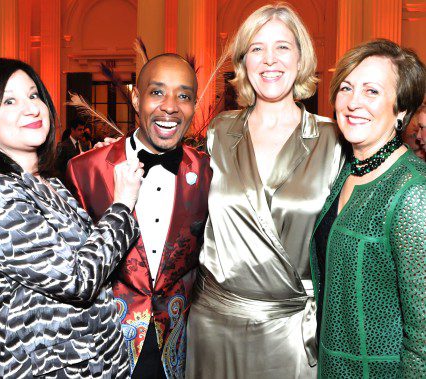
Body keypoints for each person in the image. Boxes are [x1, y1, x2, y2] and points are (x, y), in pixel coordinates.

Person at [0, 57, 144, 378]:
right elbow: (79, 280)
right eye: (9, 100)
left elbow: (91, 252)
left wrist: (102, 170)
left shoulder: (48, 183)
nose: (31, 108)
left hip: (80, 361)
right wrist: (124, 202)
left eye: (33, 95)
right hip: (30, 365)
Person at [185, 4, 344, 379]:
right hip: (214, 324)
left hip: (292, 333)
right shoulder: (219, 132)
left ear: (301, 57)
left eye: (282, 47)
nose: (269, 60)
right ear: (243, 62)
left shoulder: (334, 140)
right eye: (256, 48)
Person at [66, 53, 211, 378]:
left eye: (184, 95)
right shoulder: (84, 169)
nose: (170, 106)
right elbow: (67, 263)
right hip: (105, 344)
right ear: (135, 97)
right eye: (157, 92)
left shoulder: (206, 171)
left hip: (180, 344)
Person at [310, 39, 426, 378]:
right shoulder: (349, 170)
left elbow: (423, 341)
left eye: (372, 91)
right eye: (346, 87)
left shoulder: (412, 191)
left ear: (401, 109)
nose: (353, 101)